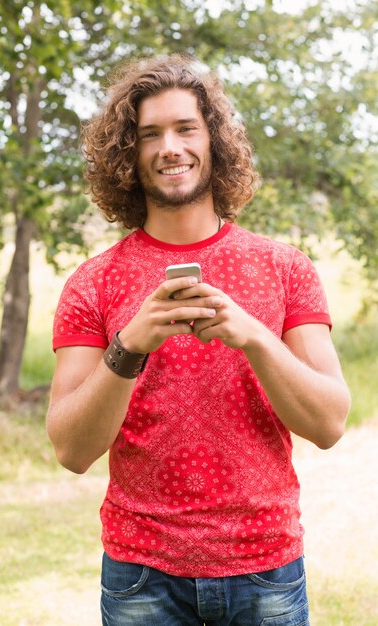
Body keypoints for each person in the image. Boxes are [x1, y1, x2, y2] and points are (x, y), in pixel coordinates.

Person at [46, 54, 351, 626]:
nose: (170, 147)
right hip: (142, 577)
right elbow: (71, 449)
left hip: (265, 569)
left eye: (186, 127)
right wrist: (129, 346)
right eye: (149, 134)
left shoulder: (285, 268)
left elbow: (330, 424)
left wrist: (256, 338)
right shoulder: (93, 282)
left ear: (214, 140)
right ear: (127, 155)